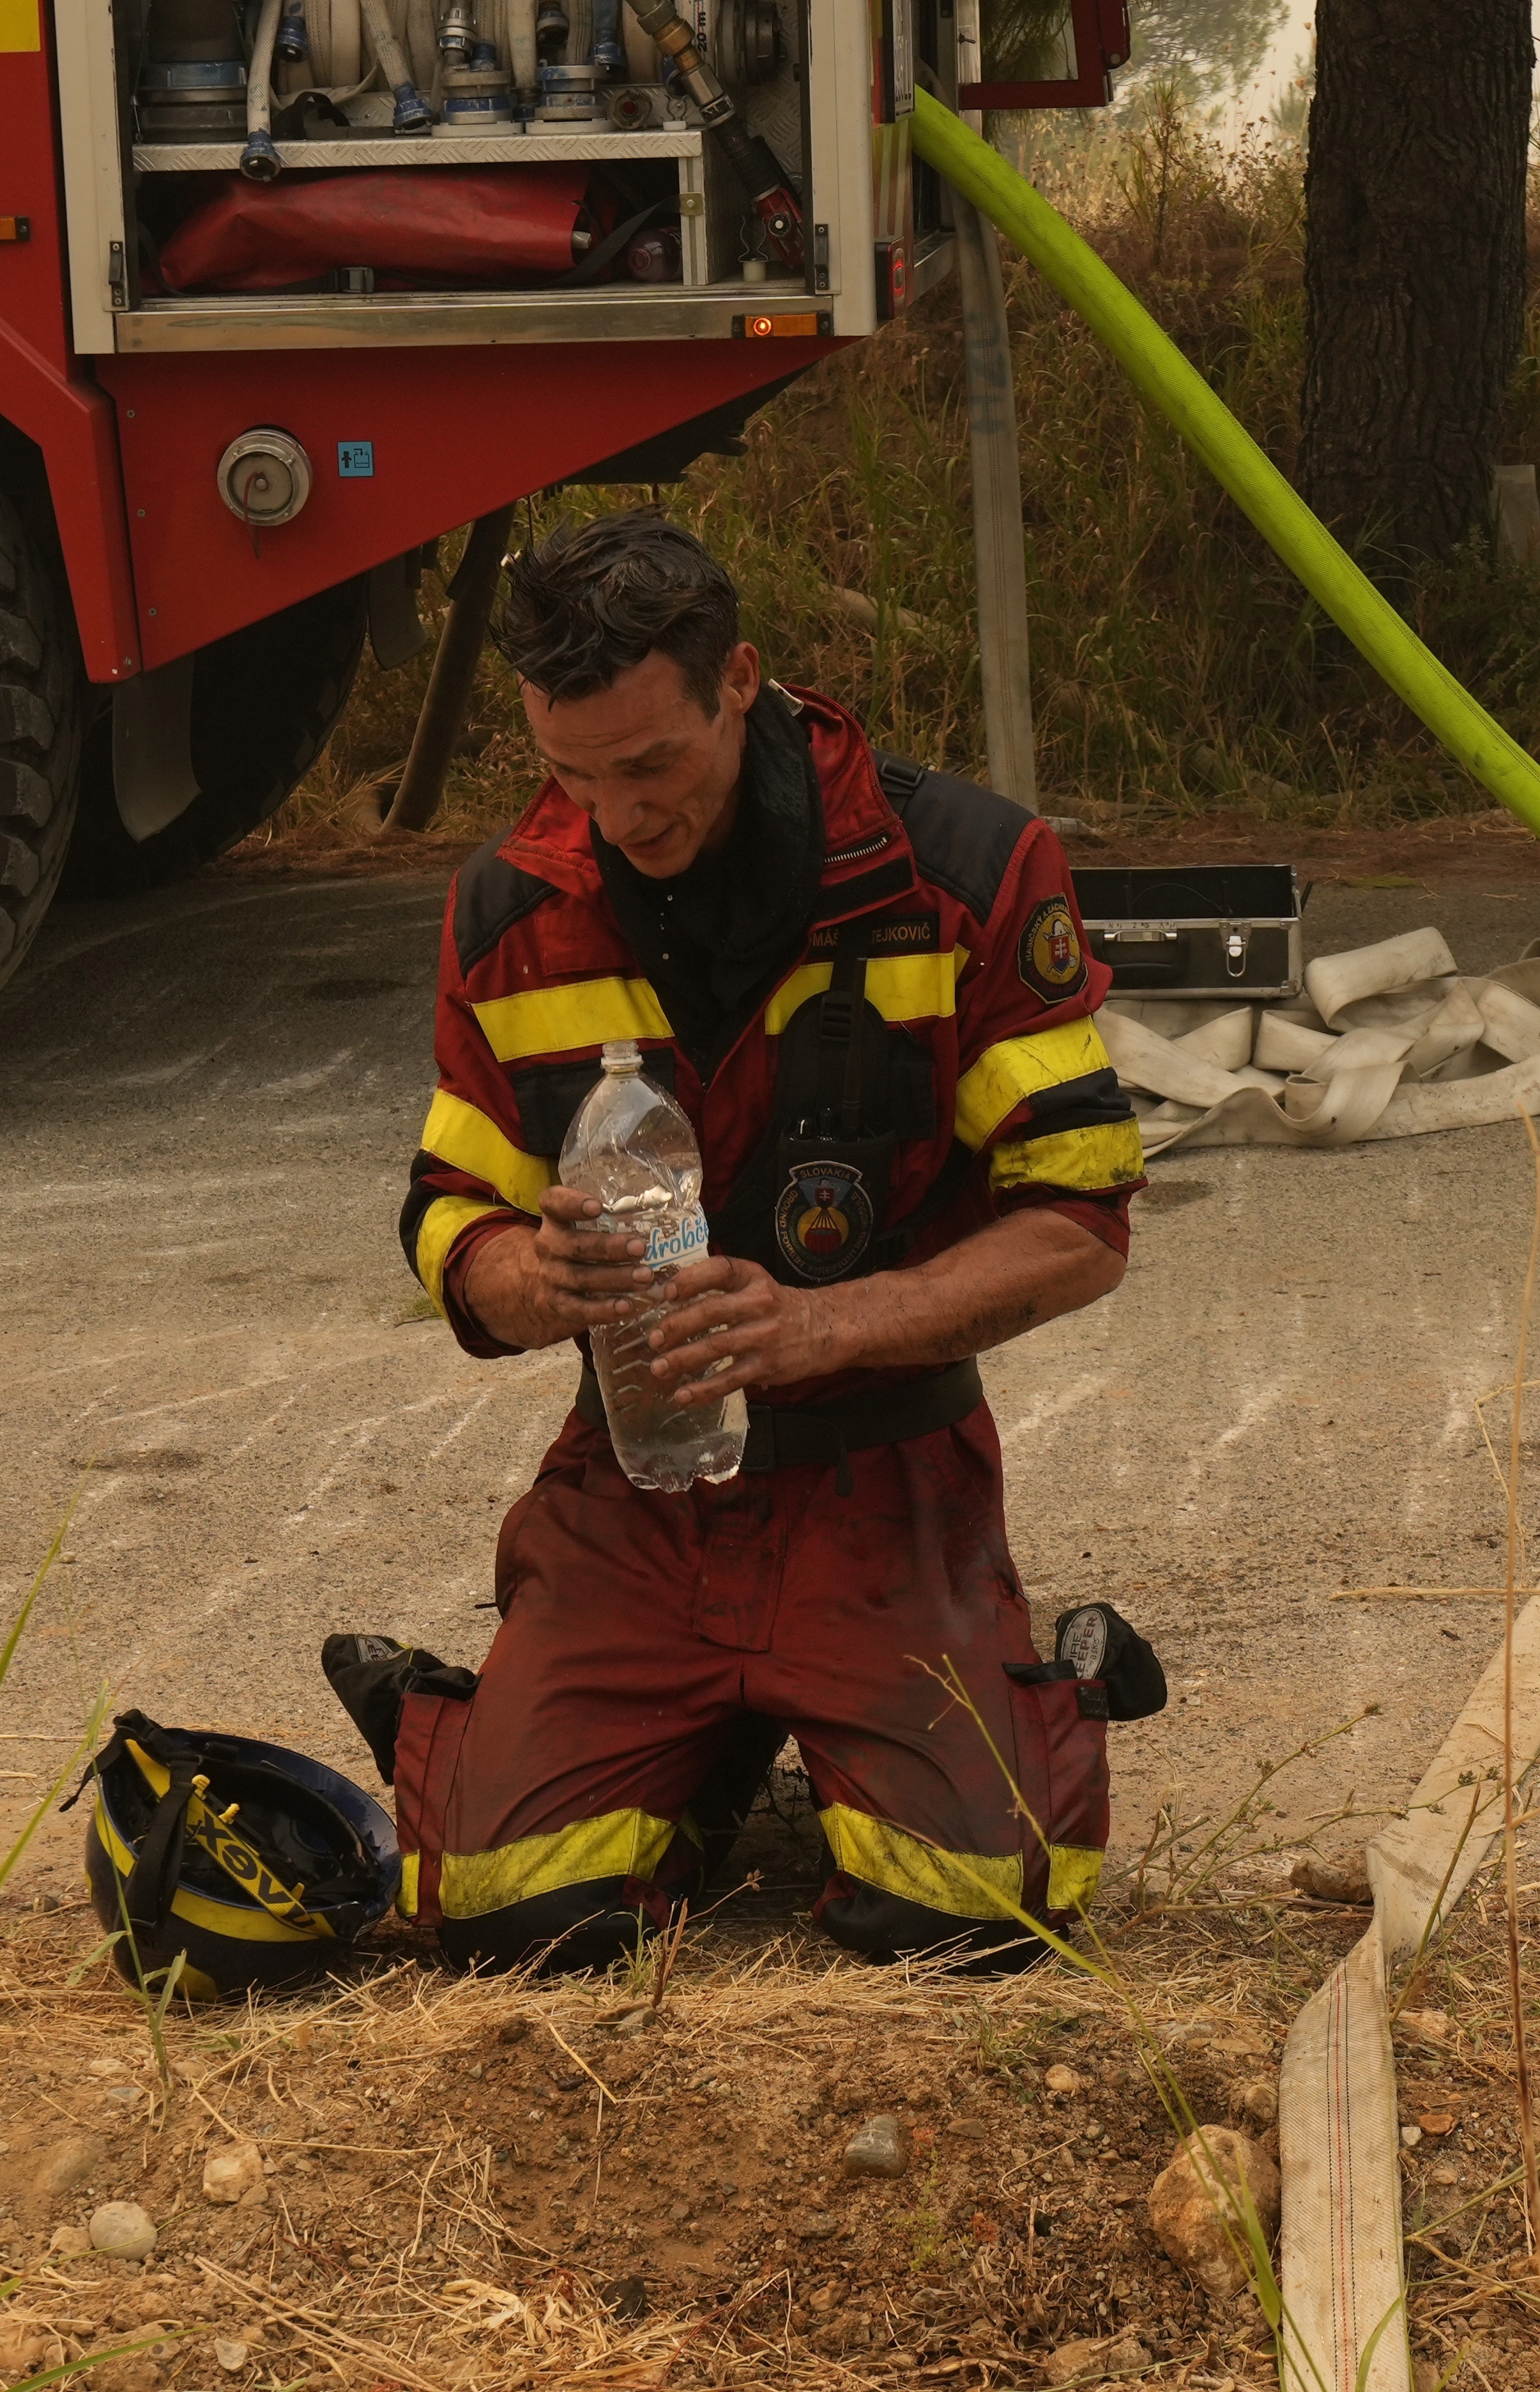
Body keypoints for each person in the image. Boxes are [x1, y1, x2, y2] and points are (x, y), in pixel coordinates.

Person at [326, 512, 1157, 1975]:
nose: (615, 816)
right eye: (569, 772)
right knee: (511, 1914)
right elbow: (448, 1217)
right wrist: (531, 1281)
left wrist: (822, 1329)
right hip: (633, 1490)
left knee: (968, 1916)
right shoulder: (513, 908)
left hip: (881, 1480)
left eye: (649, 765)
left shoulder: (959, 873)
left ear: (742, 684)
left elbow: (1080, 1225)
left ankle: (1036, 1683)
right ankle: (656, 1743)